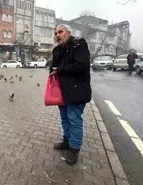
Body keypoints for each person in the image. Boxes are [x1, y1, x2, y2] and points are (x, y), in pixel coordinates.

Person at [49, 24, 92, 165]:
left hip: (77, 90)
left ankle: (74, 149)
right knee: (65, 119)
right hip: (62, 92)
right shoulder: (58, 50)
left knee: (74, 120)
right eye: (56, 33)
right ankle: (67, 141)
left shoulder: (79, 45)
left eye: (60, 32)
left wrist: (59, 69)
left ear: (69, 33)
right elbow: (53, 67)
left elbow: (80, 65)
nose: (57, 35)